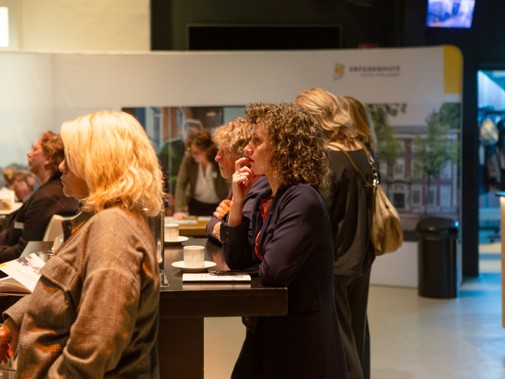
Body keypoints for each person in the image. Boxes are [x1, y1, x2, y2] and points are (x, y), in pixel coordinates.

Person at [0, 110, 164, 377]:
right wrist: (12, 325)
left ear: (98, 163)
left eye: (71, 157)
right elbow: (64, 291)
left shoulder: (113, 229)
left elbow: (92, 350)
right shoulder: (102, 219)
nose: (62, 166)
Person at [221, 103, 348, 378]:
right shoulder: (275, 197)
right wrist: (238, 201)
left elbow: (273, 271)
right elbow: (238, 259)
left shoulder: (302, 199)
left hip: (300, 339)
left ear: (284, 148)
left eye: (257, 141)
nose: (247, 149)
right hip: (273, 327)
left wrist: (258, 263)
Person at [296, 87, 378, 379]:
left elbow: (320, 214)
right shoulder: (361, 152)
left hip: (337, 260)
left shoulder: (328, 158)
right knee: (357, 333)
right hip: (361, 258)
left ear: (315, 117)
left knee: (341, 340)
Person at [0, 131, 80, 263]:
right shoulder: (55, 193)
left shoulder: (48, 198)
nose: (28, 153)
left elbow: (24, 253)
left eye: (35, 149)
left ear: (48, 158)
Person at [206, 117, 269, 244]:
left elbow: (242, 239)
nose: (217, 158)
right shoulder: (240, 183)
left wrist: (225, 222)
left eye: (225, 152)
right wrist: (224, 225)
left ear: (244, 156)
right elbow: (212, 222)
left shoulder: (262, 185)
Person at [173, 129, 230, 218]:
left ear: (208, 150)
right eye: (192, 152)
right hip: (195, 204)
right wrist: (179, 210)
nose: (193, 155)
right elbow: (181, 183)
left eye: (197, 153)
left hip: (217, 204)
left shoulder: (218, 159)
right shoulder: (189, 158)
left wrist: (230, 206)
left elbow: (229, 183)